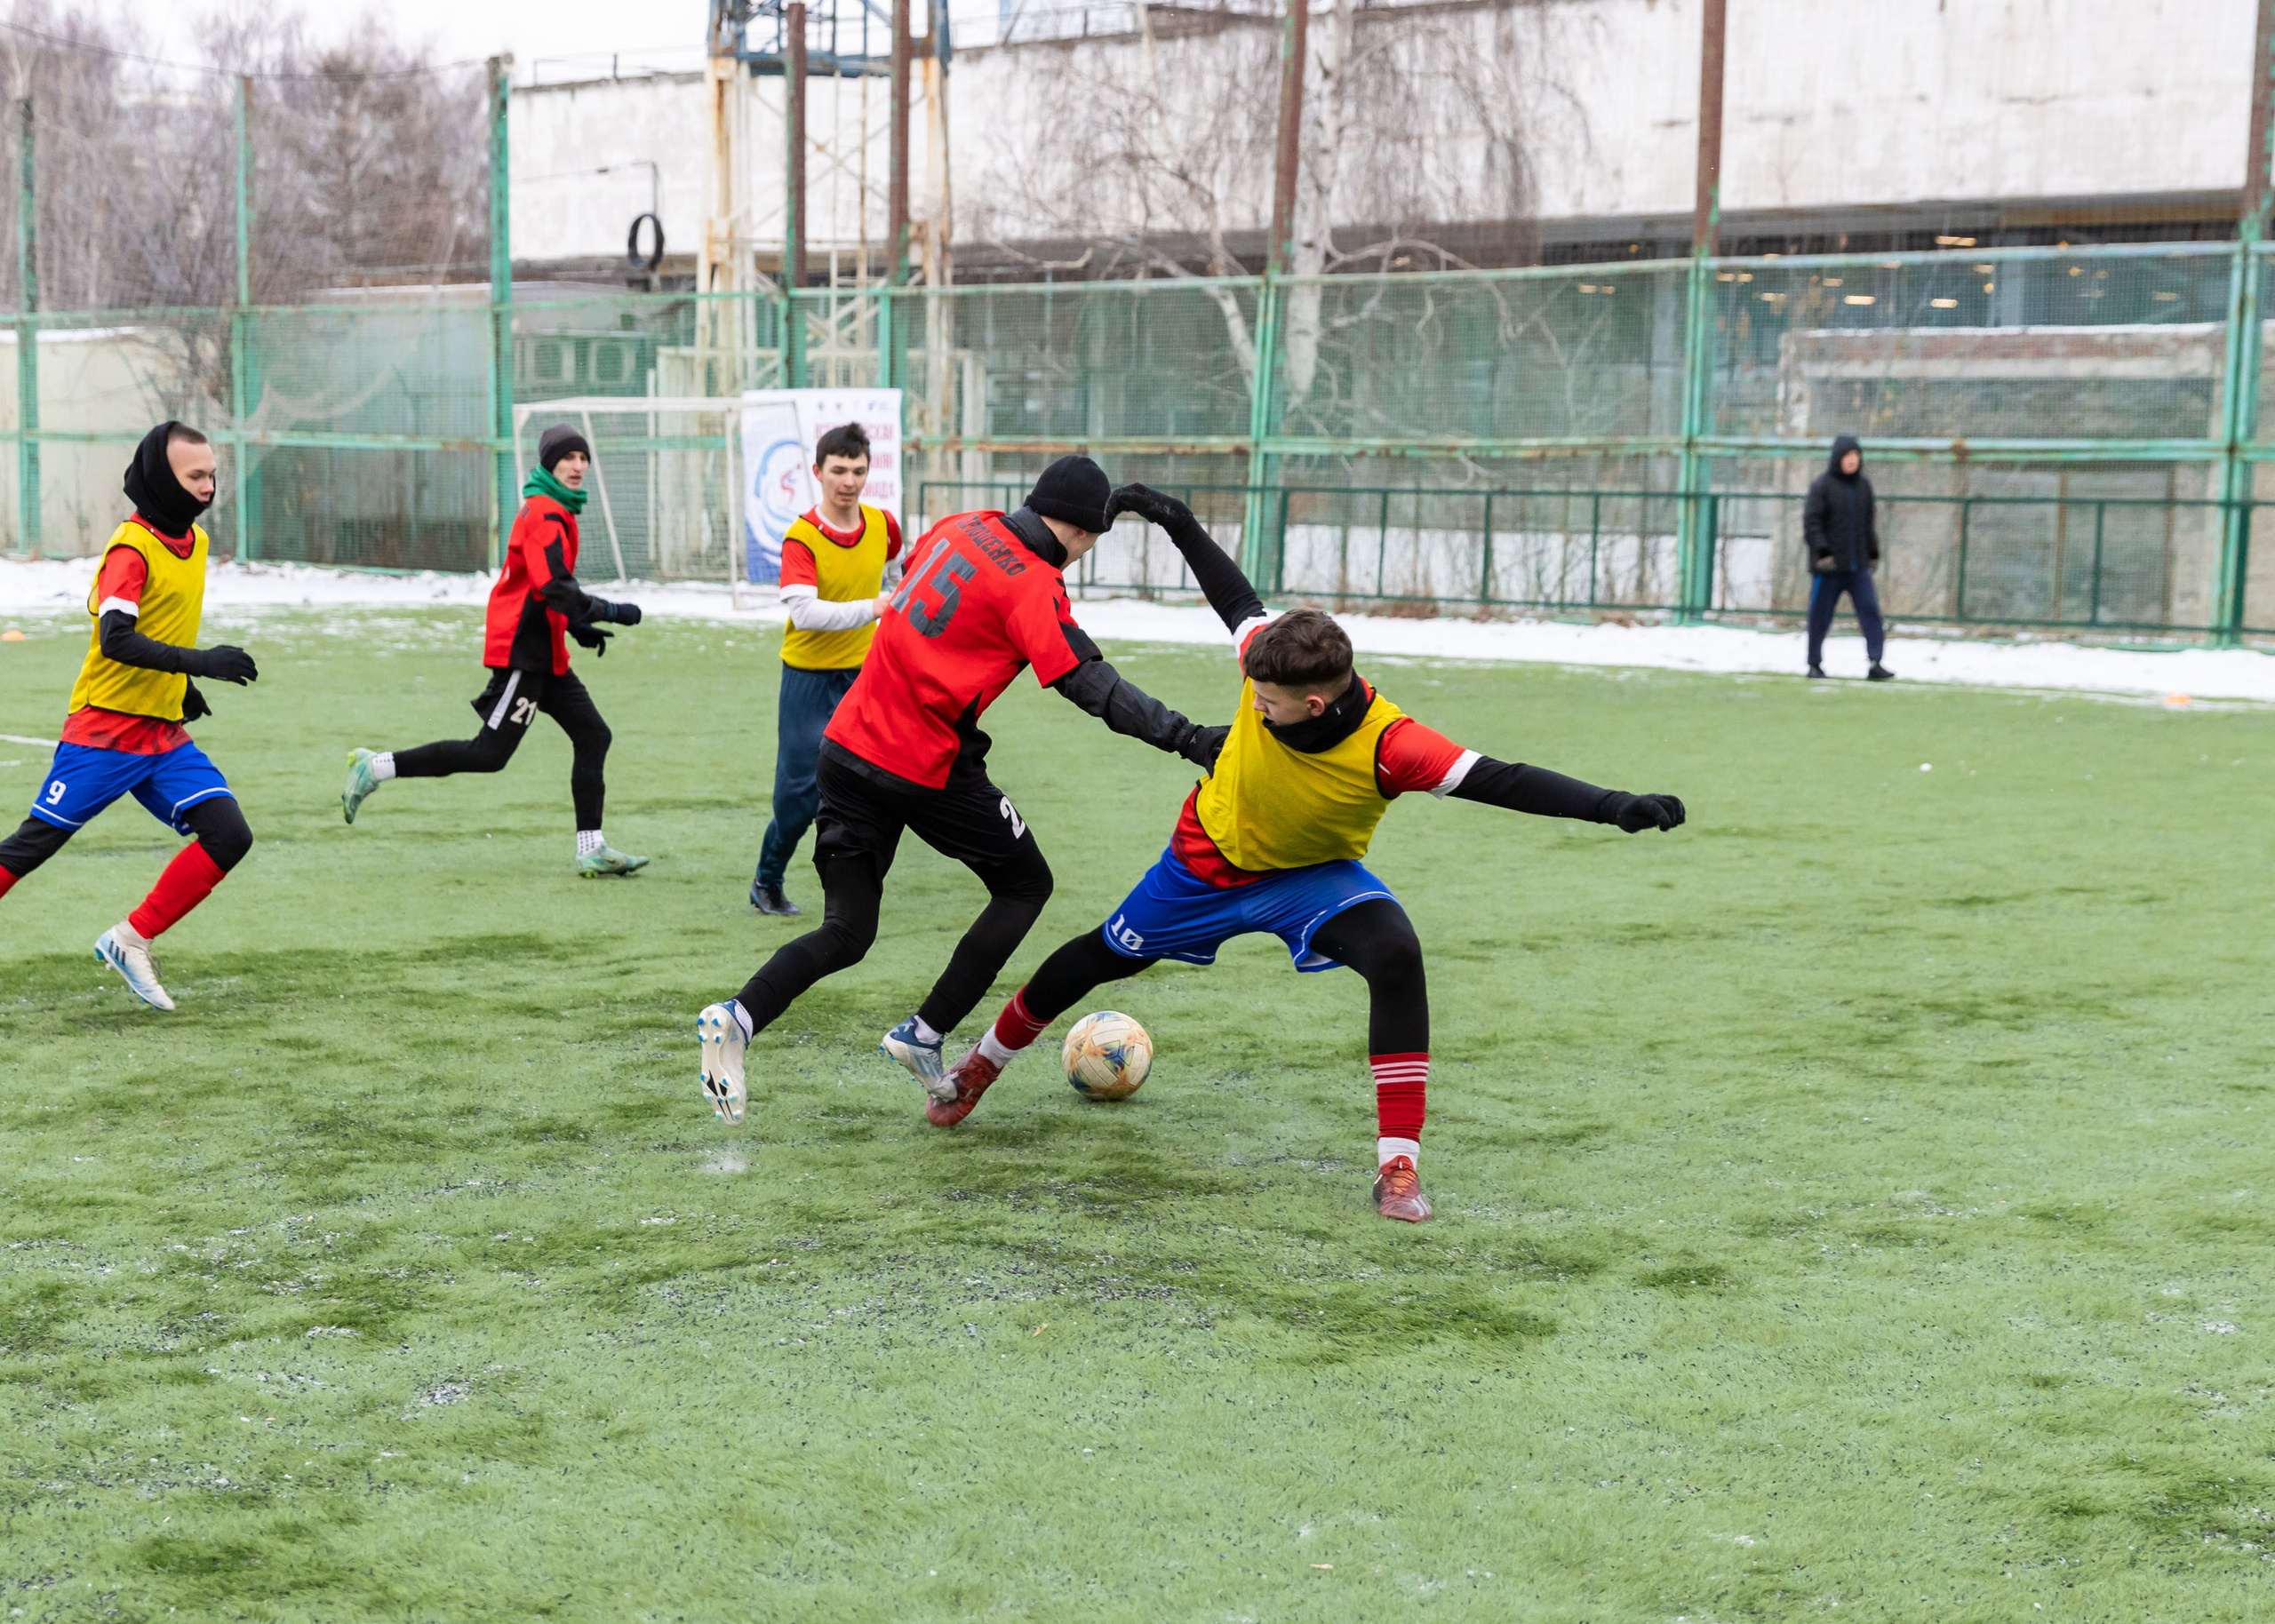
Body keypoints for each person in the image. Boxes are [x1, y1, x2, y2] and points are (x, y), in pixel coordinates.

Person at [925, 486, 1688, 1224]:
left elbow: (1506, 780)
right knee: (1097, 957)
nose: (1252, 704)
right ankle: (983, 1064)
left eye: (1268, 703)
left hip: (1313, 879)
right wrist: (1178, 521)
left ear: (1316, 704)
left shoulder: (1394, 746)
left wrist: (1613, 806)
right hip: (1203, 865)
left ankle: (1398, 1164)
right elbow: (1234, 597)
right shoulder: (1271, 656)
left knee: (1395, 951)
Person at [693, 456, 1224, 1126]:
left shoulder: (960, 525)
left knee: (847, 929)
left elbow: (927, 584)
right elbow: (1092, 684)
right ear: (1087, 536)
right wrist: (1191, 738)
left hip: (846, 744)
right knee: (1026, 884)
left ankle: (738, 1018)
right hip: (922, 764)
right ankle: (925, 1029)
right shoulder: (1035, 584)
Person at [0, 422, 259, 1011]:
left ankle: (130, 939)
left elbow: (160, 627)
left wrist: (182, 684)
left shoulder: (193, 544)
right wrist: (201, 662)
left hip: (161, 735)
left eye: (212, 474)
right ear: (160, 478)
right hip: (105, 733)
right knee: (27, 849)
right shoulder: (130, 549)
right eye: (195, 476)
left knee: (229, 835)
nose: (208, 486)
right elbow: (116, 639)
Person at [339, 423, 649, 875]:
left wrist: (577, 626)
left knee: (593, 735)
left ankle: (591, 847)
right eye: (569, 457)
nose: (578, 465)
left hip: (546, 653)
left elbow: (544, 591)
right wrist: (610, 611)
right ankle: (376, 767)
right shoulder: (544, 513)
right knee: (488, 754)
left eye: (583, 458)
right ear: (549, 463)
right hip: (525, 654)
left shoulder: (556, 510)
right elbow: (554, 587)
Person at [750, 422, 904, 916]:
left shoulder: (883, 525)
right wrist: (876, 608)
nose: (849, 481)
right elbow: (806, 613)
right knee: (797, 799)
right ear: (817, 472)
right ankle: (766, 880)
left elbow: (902, 569)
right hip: (808, 681)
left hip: (864, 676)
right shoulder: (802, 537)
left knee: (875, 783)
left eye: (858, 471)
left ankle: (856, 885)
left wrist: (898, 603)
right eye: (838, 470)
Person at [1802, 434, 1892, 681]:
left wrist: (1872, 553)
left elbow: (1867, 525)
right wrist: (1822, 553)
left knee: (1871, 612)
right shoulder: (1822, 486)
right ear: (1838, 459)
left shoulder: (1864, 487)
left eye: (1856, 457)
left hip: (1858, 569)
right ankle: (1814, 664)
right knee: (1819, 617)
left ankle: (1875, 662)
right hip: (1828, 569)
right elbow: (1812, 523)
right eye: (1848, 457)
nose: (1852, 461)